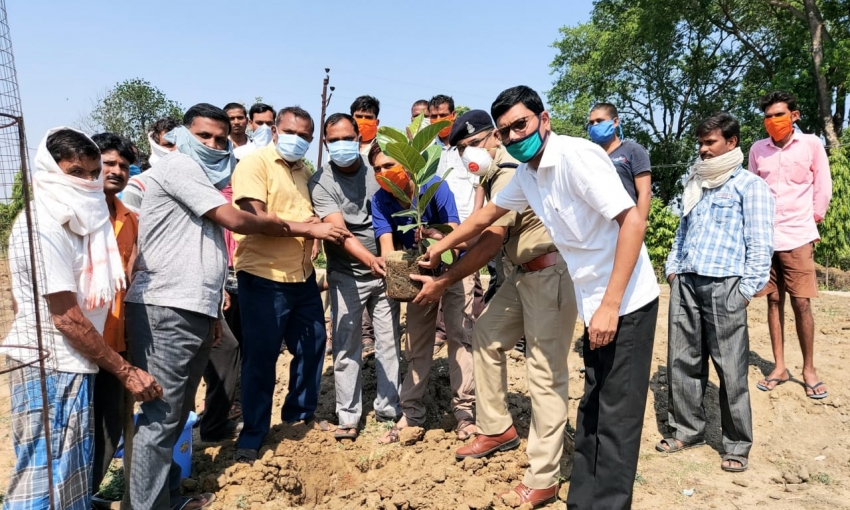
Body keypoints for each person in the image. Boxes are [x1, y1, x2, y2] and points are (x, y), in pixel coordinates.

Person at [421, 86, 659, 510]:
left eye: (521, 125)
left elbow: (633, 222)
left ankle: (561, 485)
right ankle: (580, 497)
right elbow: (487, 216)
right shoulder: (528, 175)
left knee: (606, 411)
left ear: (543, 120)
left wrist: (609, 305)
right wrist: (440, 246)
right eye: (506, 131)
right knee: (594, 408)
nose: (514, 136)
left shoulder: (576, 158)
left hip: (621, 297)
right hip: (587, 293)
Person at [124, 103, 310, 510]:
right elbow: (238, 220)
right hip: (165, 305)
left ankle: (169, 497)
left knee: (174, 414)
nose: (212, 145)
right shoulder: (180, 167)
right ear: (182, 137)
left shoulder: (204, 179)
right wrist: (295, 226)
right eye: (203, 136)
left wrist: (211, 309)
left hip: (192, 305)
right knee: (160, 418)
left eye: (220, 139)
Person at [411, 110, 577, 508]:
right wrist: (441, 244)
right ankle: (497, 428)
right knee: (486, 335)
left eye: (473, 144)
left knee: (544, 373)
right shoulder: (491, 176)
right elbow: (479, 223)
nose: (468, 153)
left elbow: (489, 240)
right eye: (460, 149)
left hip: (549, 274)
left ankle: (543, 478)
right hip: (522, 274)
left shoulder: (506, 170)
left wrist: (445, 278)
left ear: (494, 137)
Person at [1, 127, 161, 510]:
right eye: (76, 172)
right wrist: (125, 371)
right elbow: (67, 318)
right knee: (43, 478)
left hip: (73, 363)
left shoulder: (83, 221)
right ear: (51, 170)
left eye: (92, 173)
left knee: (69, 472)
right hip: (49, 366)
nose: (88, 181)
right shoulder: (43, 224)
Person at [232, 106, 350, 464]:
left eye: (304, 136)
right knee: (261, 358)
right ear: (275, 131)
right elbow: (255, 217)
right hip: (264, 277)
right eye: (290, 132)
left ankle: (298, 417)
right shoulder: (254, 164)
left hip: (301, 277)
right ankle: (253, 435)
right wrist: (312, 229)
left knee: (312, 346)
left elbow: (304, 216)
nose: (296, 140)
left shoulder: (304, 172)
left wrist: (312, 225)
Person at [661, 113, 774, 473]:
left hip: (726, 285)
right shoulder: (695, 182)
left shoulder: (750, 186)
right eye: (700, 143)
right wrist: (673, 269)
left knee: (731, 368)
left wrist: (745, 290)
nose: (703, 149)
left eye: (710, 142)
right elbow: (682, 231)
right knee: (682, 360)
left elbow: (761, 244)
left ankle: (736, 444)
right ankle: (686, 430)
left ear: (732, 142)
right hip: (687, 281)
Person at [368, 144, 477, 444]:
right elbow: (387, 246)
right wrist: (391, 271)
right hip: (417, 274)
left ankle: (465, 413)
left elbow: (456, 233)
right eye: (377, 169)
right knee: (416, 342)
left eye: (388, 165)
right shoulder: (380, 200)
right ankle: (411, 414)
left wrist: (434, 237)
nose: (382, 173)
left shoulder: (434, 187)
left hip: (453, 269)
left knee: (460, 336)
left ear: (407, 164)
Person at [308, 113, 402, 441]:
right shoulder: (320, 182)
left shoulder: (378, 171)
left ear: (359, 139)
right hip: (347, 274)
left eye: (347, 138)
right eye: (334, 140)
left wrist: (390, 260)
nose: (341, 145)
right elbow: (339, 232)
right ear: (325, 143)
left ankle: (388, 409)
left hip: (386, 272)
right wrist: (371, 260)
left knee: (389, 342)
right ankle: (348, 416)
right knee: (346, 346)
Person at [749, 90, 833, 399]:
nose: (773, 121)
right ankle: (780, 366)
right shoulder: (758, 149)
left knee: (801, 302)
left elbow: (823, 185)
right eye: (768, 117)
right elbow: (752, 188)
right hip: (766, 237)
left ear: (794, 116)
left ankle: (809, 369)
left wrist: (813, 218)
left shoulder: (811, 144)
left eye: (779, 115)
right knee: (773, 301)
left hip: (798, 234)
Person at [89, 132, 140, 495]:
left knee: (109, 428)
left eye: (123, 165)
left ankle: (86, 494)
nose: (117, 170)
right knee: (75, 431)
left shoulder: (129, 218)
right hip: (77, 343)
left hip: (115, 341)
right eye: (108, 163)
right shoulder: (77, 214)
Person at [429, 94, 483, 353]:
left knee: (468, 283)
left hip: (466, 226)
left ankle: (468, 335)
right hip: (439, 229)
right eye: (434, 116)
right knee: (443, 279)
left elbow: (479, 185)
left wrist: (475, 222)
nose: (439, 120)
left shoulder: (467, 148)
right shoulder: (429, 151)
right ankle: (443, 331)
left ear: (453, 116)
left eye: (444, 115)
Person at [587, 102, 652, 220]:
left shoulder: (633, 150)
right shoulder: (589, 155)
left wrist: (639, 225)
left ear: (615, 122)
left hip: (627, 223)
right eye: (591, 122)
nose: (594, 125)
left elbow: (645, 193)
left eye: (599, 121)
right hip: (599, 226)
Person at [123, 117, 180, 215]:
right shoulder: (139, 185)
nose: (176, 150)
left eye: (180, 144)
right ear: (156, 147)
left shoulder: (197, 180)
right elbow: (131, 222)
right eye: (169, 145)